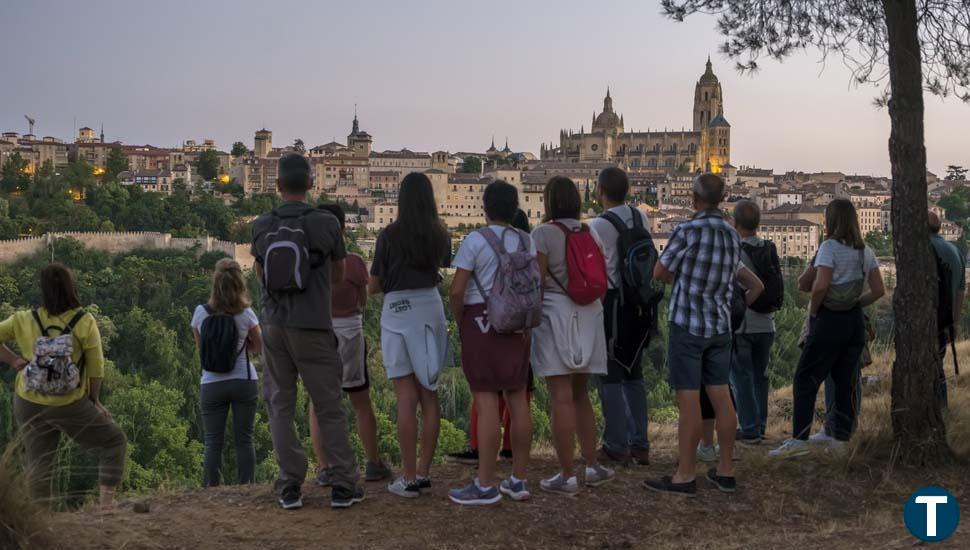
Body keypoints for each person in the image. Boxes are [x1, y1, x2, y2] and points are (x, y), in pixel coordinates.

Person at [251, 153, 363, 510]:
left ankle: (289, 485)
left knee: (280, 405)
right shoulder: (326, 223)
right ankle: (343, 483)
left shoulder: (261, 225)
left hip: (273, 324)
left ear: (279, 185)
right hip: (313, 323)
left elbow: (260, 275)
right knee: (328, 404)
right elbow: (338, 275)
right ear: (311, 184)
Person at [643, 173, 764, 497]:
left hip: (688, 324)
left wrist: (681, 276)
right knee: (721, 396)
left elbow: (660, 272)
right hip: (721, 326)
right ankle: (725, 469)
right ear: (722, 200)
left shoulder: (686, 230)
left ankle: (685, 475)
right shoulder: (730, 234)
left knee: (689, 401)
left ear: (694, 200)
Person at [0, 263, 126, 508]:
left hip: (28, 400)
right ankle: (107, 506)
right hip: (68, 403)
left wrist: (14, 359)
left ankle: (41, 523)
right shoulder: (84, 321)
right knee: (114, 441)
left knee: (40, 463)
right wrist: (95, 400)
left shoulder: (24, 319)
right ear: (72, 287)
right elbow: (96, 367)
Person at [770, 199, 885, 459]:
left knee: (805, 379)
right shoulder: (865, 251)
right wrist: (856, 302)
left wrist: (813, 311)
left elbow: (820, 285)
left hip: (828, 321)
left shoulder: (828, 247)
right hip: (853, 323)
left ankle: (799, 440)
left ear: (831, 221)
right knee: (845, 381)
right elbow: (878, 290)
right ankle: (840, 439)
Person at [448, 182, 535, 505]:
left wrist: (459, 321)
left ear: (485, 207)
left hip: (482, 321)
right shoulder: (526, 239)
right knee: (518, 399)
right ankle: (519, 479)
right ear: (515, 209)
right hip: (518, 326)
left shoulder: (475, 240)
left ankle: (485, 484)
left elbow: (457, 291)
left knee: (486, 402)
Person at [531, 176, 615, 495]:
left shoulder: (543, 233)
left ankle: (566, 475)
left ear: (549, 201)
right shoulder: (590, 230)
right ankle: (592, 466)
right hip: (590, 313)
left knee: (560, 398)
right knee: (581, 395)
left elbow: (536, 282)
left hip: (556, 315)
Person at [369, 172, 450, 498]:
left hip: (396, 311)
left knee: (406, 396)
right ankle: (425, 472)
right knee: (429, 394)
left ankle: (408, 475)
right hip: (430, 307)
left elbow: (374, 285)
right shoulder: (440, 234)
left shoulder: (388, 235)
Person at [309, 203, 391, 487]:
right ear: (343, 228)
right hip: (351, 333)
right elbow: (363, 301)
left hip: (319, 332)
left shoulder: (310, 263)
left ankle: (324, 467)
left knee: (318, 404)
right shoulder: (354, 262)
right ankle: (373, 462)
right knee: (360, 400)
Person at [587, 167, 652, 465]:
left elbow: (593, 268)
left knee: (610, 375)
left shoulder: (597, 225)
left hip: (612, 304)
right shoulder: (642, 217)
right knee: (634, 373)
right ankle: (640, 443)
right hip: (640, 304)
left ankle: (616, 445)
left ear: (600, 190)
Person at [191, 258, 262, 487]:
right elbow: (259, 346)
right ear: (240, 284)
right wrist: (242, 346)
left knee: (213, 442)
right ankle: (247, 487)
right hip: (243, 379)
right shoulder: (246, 314)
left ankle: (211, 490)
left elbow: (201, 349)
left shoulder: (201, 313)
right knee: (245, 439)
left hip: (212, 383)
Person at [730, 200, 776, 444]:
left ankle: (748, 428)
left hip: (743, 324)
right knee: (761, 376)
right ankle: (759, 426)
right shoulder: (769, 247)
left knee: (740, 377)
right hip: (767, 323)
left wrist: (739, 309)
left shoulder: (735, 250)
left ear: (735, 223)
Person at [929, 210, 966, 408]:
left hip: (926, 320)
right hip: (945, 320)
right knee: (938, 367)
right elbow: (961, 292)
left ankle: (934, 412)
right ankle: (941, 411)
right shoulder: (955, 251)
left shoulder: (922, 248)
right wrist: (954, 322)